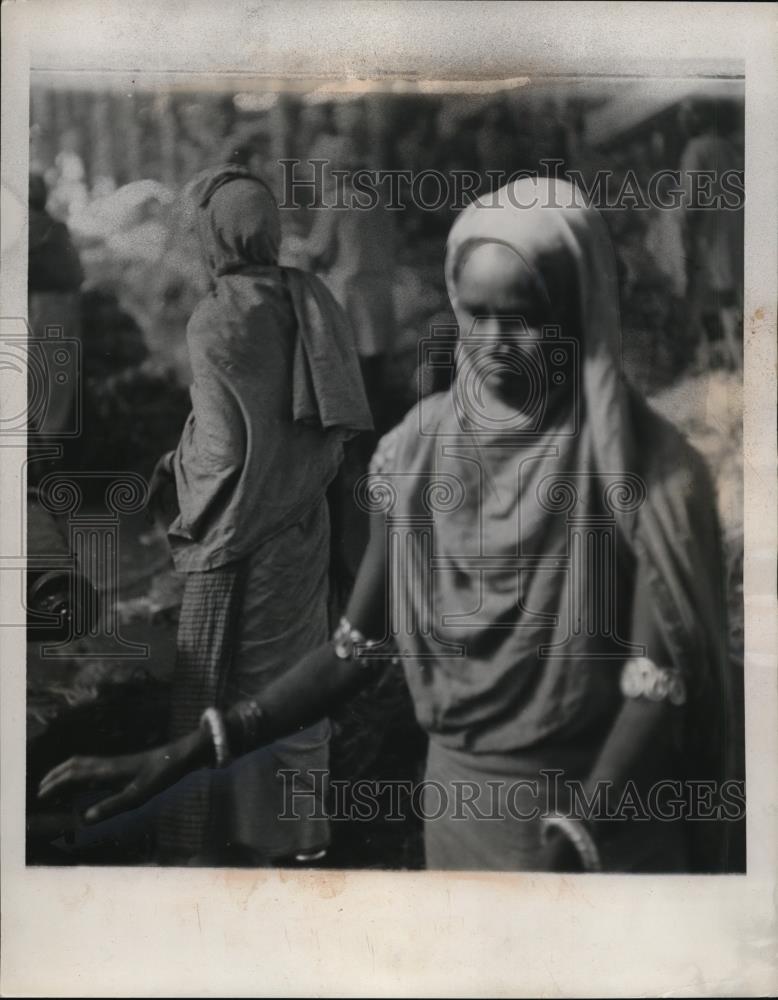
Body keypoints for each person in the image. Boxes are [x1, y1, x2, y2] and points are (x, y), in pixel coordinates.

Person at [39, 178, 740, 873]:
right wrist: (195, 747)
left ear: (581, 313)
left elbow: (656, 687)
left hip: (595, 848)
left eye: (522, 314)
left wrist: (571, 845)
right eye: (476, 312)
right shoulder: (422, 450)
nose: (493, 341)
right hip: (460, 823)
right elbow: (357, 647)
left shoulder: (649, 474)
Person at [140, 165, 372, 865]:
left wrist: (175, 476)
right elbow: (334, 430)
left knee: (239, 686)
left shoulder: (216, 319)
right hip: (308, 526)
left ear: (216, 237)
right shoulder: (313, 297)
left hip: (244, 535)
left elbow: (219, 450)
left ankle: (236, 838)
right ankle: (303, 841)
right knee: (296, 681)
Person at [679, 99, 744, 371]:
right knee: (733, 295)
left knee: (719, 297)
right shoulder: (727, 146)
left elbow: (691, 199)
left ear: (694, 120)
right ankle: (735, 358)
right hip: (736, 227)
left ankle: (737, 362)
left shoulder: (696, 149)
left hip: (711, 233)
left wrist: (682, 223)